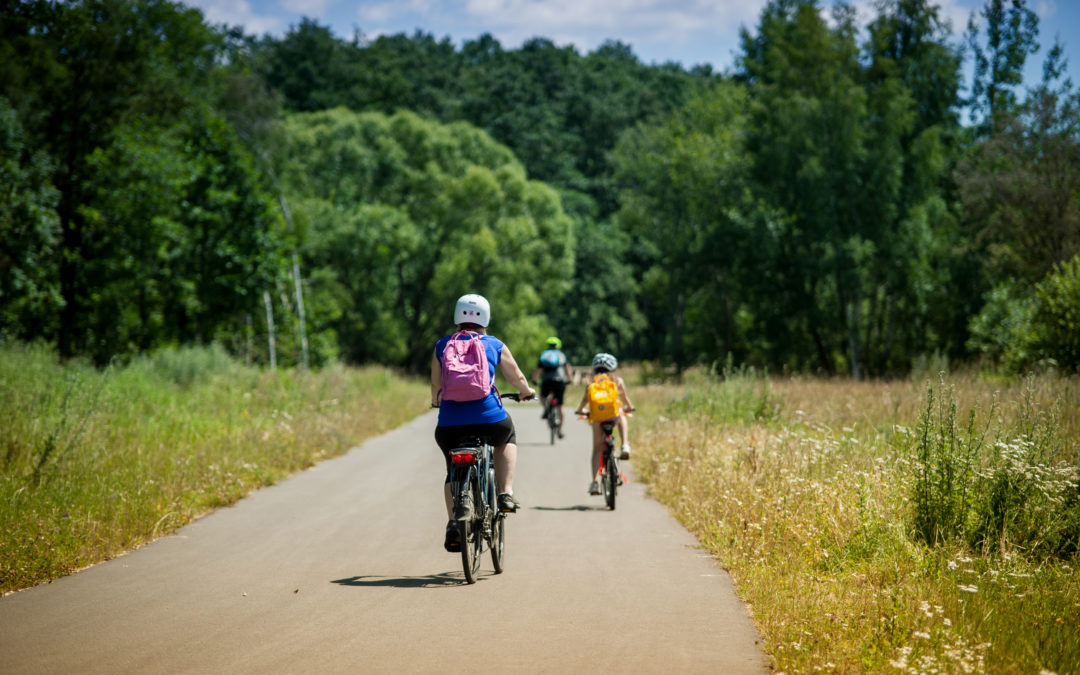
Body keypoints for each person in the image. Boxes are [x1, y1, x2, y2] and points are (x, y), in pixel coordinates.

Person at [432, 293, 535, 552]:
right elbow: (517, 377)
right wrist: (526, 391)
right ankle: (505, 493)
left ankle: (454, 522)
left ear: (457, 316)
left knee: (451, 471)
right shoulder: (494, 344)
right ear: (486, 317)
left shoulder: (442, 345)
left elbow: (435, 386)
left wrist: (437, 401)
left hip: (450, 423)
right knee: (507, 436)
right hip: (489, 418)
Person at [574, 352, 635, 496]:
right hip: (613, 416)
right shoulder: (617, 381)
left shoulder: (591, 383)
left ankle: (595, 483)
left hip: (598, 419)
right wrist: (629, 407)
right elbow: (625, 400)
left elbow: (583, 404)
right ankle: (625, 444)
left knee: (597, 450)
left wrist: (581, 411)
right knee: (621, 414)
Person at [531, 336, 574, 439]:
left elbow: (538, 369)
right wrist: (570, 379)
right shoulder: (562, 355)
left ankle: (547, 410)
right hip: (559, 382)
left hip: (547, 381)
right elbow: (568, 369)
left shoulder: (544, 355)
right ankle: (560, 430)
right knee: (561, 405)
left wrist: (534, 380)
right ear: (558, 345)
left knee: (542, 397)